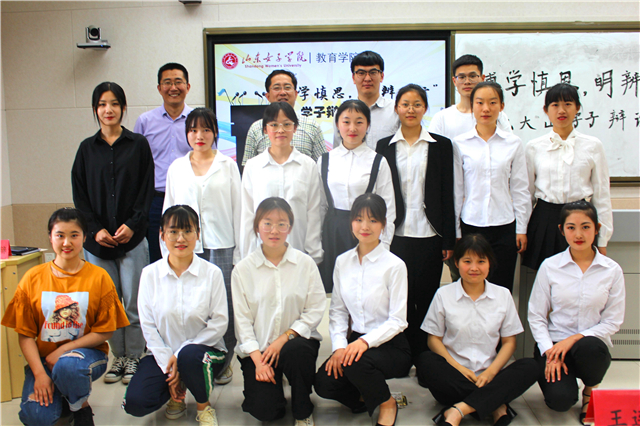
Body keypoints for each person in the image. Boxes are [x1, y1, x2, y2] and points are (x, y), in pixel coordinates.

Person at [1, 208, 129, 426]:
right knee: (37, 417)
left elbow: (106, 330)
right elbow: (25, 335)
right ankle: (63, 396)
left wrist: (63, 350)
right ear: (50, 237)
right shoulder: (33, 277)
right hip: (44, 360)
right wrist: (39, 374)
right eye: (60, 235)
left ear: (84, 238)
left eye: (74, 235)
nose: (66, 243)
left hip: (85, 358)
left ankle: (80, 407)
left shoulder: (99, 276)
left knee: (68, 366)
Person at [72, 82, 154, 384]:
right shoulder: (86, 149)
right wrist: (94, 231)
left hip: (132, 239)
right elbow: (80, 195)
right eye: (102, 104)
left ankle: (134, 356)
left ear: (123, 107)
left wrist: (132, 224)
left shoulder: (138, 144)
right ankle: (117, 357)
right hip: (98, 243)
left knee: (133, 302)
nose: (109, 110)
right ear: (96, 109)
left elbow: (146, 190)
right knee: (108, 304)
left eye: (115, 103)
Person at [416, 234, 538, 426]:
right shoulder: (443, 294)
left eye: (481, 261)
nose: (474, 268)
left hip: (490, 377)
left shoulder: (503, 295)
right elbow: (433, 339)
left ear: (490, 263)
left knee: (531, 366)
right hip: (453, 378)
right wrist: (459, 369)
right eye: (467, 261)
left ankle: (458, 410)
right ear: (457, 263)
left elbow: (509, 342)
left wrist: (490, 373)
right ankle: (495, 404)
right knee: (426, 360)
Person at [124, 205, 228, 426]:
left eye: (188, 231)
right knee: (136, 402)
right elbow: (148, 326)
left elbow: (219, 323)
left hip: (204, 353)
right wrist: (168, 364)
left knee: (189, 357)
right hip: (163, 353)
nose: (181, 238)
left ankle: (203, 406)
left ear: (198, 234)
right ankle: (176, 390)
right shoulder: (150, 274)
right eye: (173, 231)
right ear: (162, 235)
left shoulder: (212, 273)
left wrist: (179, 357)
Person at [315, 193, 410, 426]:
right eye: (358, 219)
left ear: (383, 224)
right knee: (324, 382)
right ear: (351, 223)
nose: (365, 226)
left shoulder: (395, 265)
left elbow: (398, 320)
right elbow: (338, 311)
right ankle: (368, 396)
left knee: (356, 362)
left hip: (391, 345)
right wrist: (339, 347)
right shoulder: (342, 261)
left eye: (373, 220)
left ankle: (387, 403)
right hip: (355, 342)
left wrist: (364, 343)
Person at [376, 84, 456, 359]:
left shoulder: (441, 146)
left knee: (428, 295)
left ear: (425, 109)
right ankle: (403, 352)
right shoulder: (384, 146)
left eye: (417, 104)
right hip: (397, 234)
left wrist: (448, 239)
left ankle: (424, 353)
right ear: (397, 108)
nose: (411, 110)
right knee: (401, 296)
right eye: (405, 104)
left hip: (430, 232)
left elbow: (447, 193)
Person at [528, 200, 625, 425]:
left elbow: (612, 321)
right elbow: (536, 315)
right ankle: (564, 383)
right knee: (560, 401)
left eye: (586, 227)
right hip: (554, 346)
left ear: (597, 229)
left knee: (590, 346)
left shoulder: (611, 270)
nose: (578, 234)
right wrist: (549, 352)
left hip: (590, 347)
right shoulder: (550, 266)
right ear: (562, 230)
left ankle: (590, 390)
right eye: (571, 227)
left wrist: (573, 339)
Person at [163, 107, 240, 385]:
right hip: (186, 247)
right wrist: (167, 252)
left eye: (206, 129)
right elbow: (169, 210)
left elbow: (239, 210)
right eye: (194, 130)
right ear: (187, 134)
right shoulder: (177, 168)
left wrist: (239, 252)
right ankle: (190, 360)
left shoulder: (227, 165)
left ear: (215, 133)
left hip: (222, 245)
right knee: (191, 306)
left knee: (224, 307)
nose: (200, 135)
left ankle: (223, 362)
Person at [232, 197, 326, 426]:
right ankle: (272, 389)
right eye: (267, 223)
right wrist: (258, 361)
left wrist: (284, 338)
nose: (274, 230)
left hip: (296, 344)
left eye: (281, 224)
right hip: (260, 351)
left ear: (290, 228)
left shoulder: (305, 264)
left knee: (297, 353)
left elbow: (315, 309)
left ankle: (303, 410)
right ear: (257, 227)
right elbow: (242, 323)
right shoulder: (243, 270)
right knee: (266, 410)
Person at [429, 54, 512, 284]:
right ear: (454, 81)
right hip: (456, 209)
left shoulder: (499, 117)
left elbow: (507, 158)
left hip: (492, 210)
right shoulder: (442, 118)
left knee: (496, 276)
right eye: (462, 76)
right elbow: (436, 166)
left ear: (482, 77)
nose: (467, 81)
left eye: (473, 76)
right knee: (463, 276)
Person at [523, 83, 613, 270]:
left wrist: (603, 239)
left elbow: (602, 195)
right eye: (555, 105)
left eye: (568, 104)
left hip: (581, 219)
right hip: (545, 220)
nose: (561, 110)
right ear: (546, 110)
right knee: (546, 276)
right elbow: (527, 194)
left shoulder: (593, 146)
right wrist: (521, 230)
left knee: (581, 275)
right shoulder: (534, 147)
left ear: (577, 108)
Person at [453, 82, 531, 292]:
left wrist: (521, 229)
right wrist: (456, 230)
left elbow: (520, 189)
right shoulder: (460, 143)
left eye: (492, 102)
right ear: (472, 106)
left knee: (501, 287)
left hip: (504, 226)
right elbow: (457, 190)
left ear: (501, 106)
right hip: (471, 224)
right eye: (480, 103)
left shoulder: (513, 143)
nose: (486, 108)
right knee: (470, 286)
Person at [318, 99, 396, 292]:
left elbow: (388, 207)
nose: (352, 128)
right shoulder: (325, 160)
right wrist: (316, 242)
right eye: (346, 122)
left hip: (366, 231)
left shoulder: (378, 161)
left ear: (368, 125)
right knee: (335, 289)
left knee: (364, 289)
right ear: (338, 125)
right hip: (333, 232)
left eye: (359, 122)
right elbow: (319, 206)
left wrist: (384, 245)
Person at [240, 102, 322, 263]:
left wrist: (313, 254)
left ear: (295, 128)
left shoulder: (308, 165)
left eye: (287, 124)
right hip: (261, 253)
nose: (280, 130)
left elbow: (313, 212)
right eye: (274, 125)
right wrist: (247, 256)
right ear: (265, 129)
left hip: (298, 250)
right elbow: (247, 213)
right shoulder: (253, 166)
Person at [134, 62, 193, 263]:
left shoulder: (198, 121)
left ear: (188, 86)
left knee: (189, 253)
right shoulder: (145, 121)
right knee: (156, 256)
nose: (173, 88)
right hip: (155, 200)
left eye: (178, 82)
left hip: (188, 197)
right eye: (167, 83)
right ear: (159, 88)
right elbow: (136, 164)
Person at [241, 69, 327, 165]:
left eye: (287, 87)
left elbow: (323, 165)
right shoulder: (256, 128)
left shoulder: (312, 127)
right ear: (268, 96)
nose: (282, 92)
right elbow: (247, 167)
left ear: (295, 94)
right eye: (277, 88)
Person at [332, 51, 400, 149]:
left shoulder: (395, 111)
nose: (367, 78)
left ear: (381, 76)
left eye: (373, 73)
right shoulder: (342, 113)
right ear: (353, 78)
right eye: (361, 73)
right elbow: (337, 151)